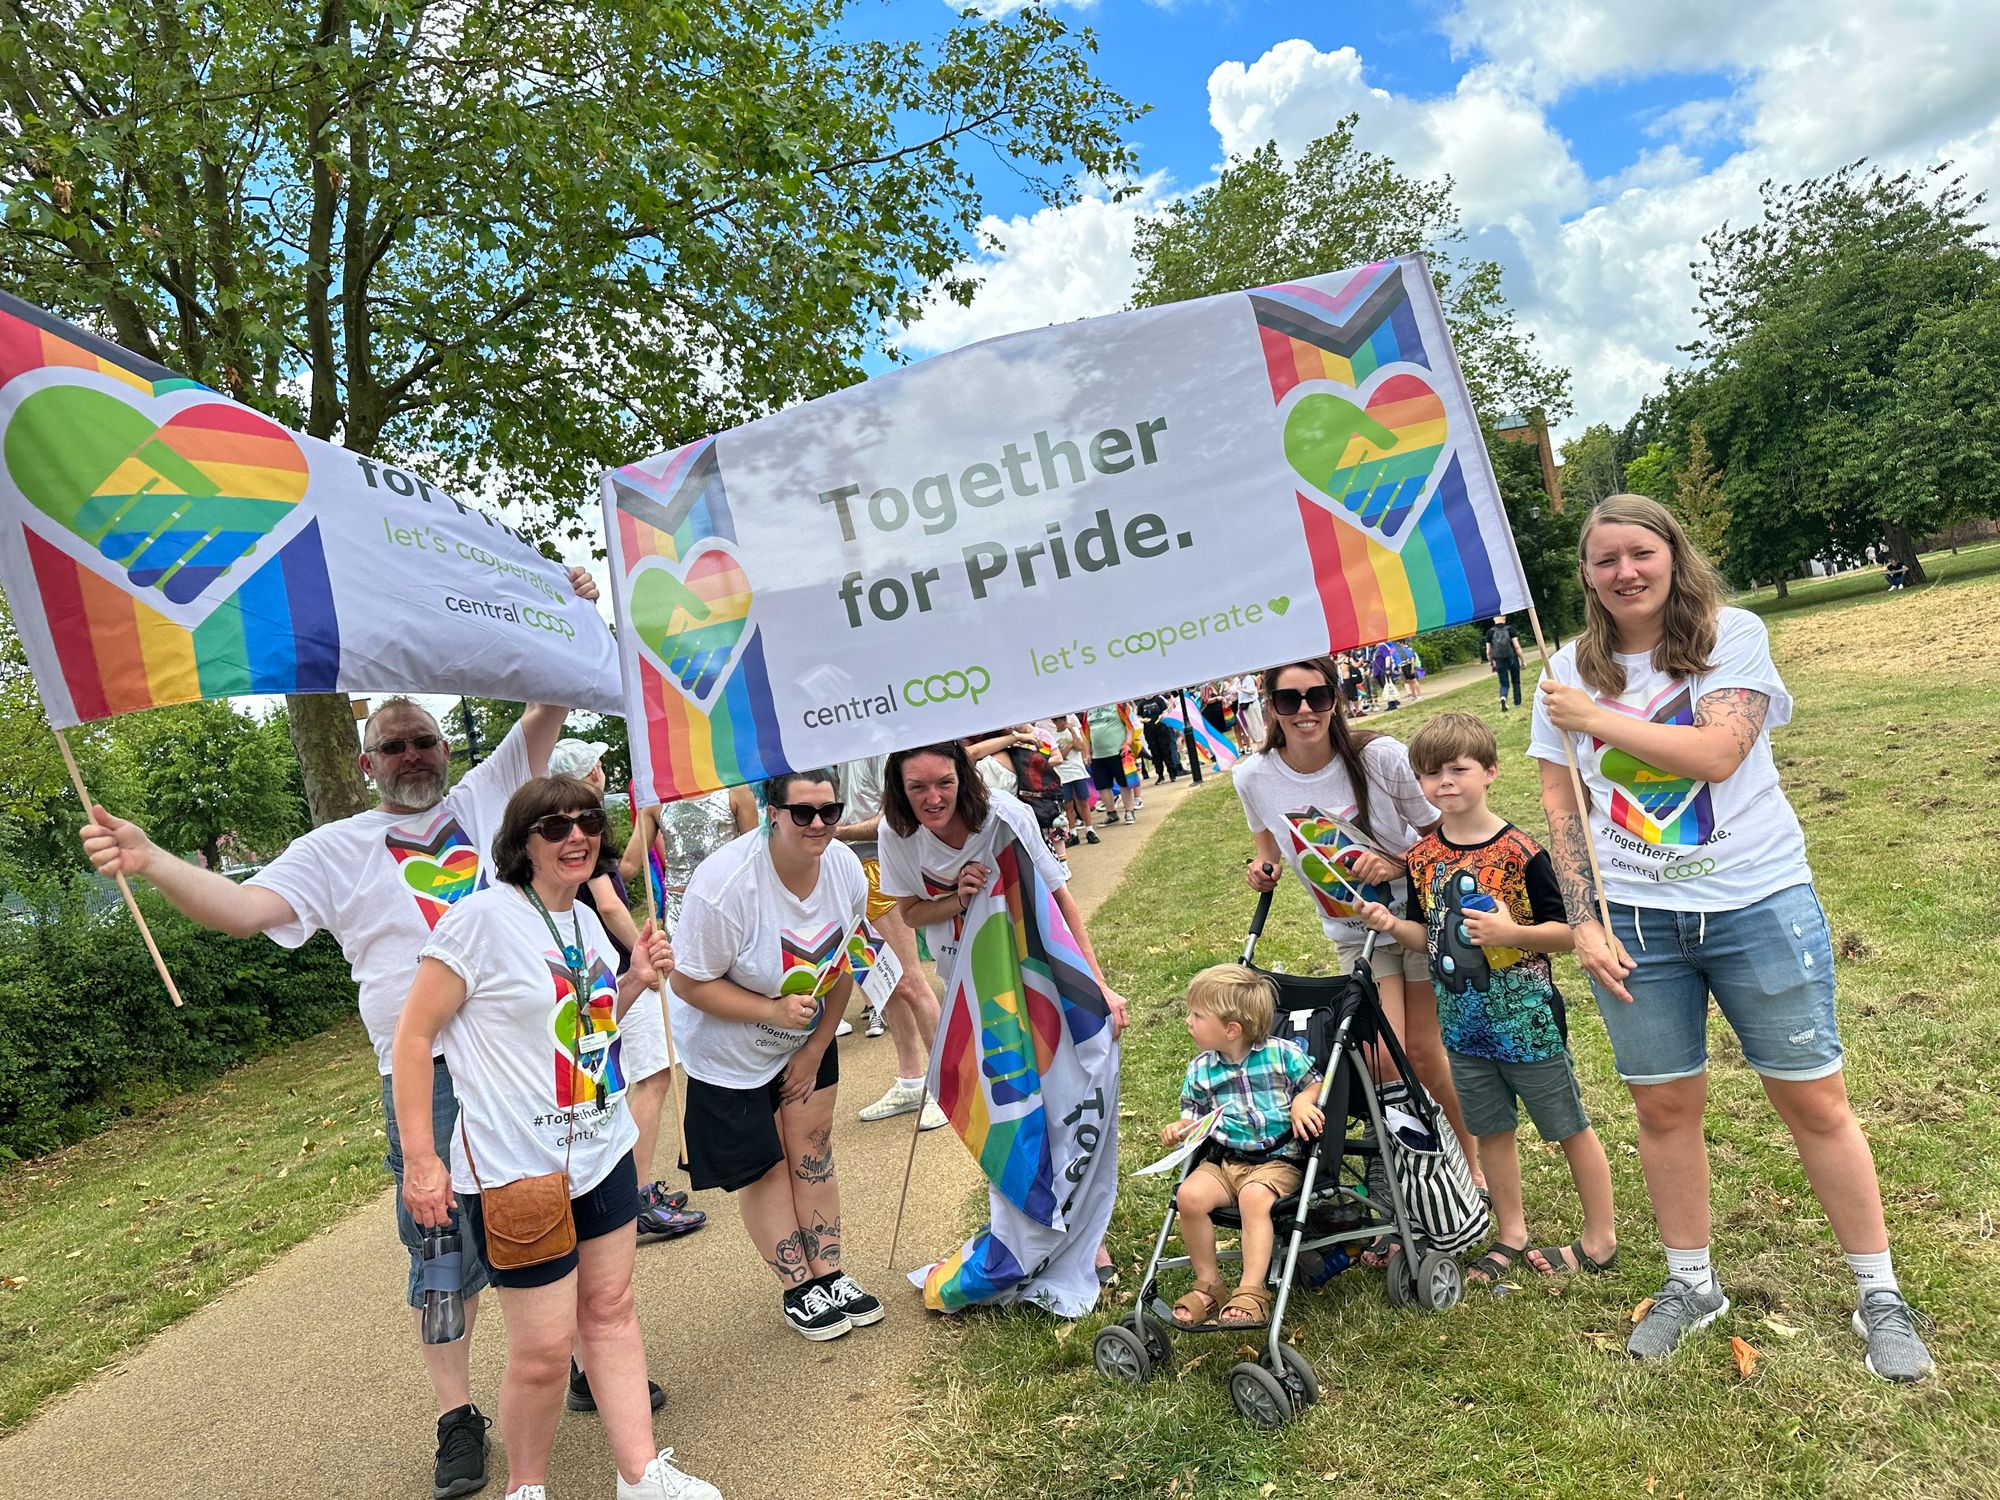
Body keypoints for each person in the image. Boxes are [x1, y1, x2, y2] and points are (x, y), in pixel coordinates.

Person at [76, 583, 631, 1500]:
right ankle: (459, 1419)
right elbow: (248, 911)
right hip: (434, 1074)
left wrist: (551, 597)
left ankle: (567, 1361)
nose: (411, 754)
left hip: (541, 1056)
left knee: (564, 1215)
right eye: (392, 746)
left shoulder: (495, 793)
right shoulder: (334, 847)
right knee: (443, 1249)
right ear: (366, 763)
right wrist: (152, 861)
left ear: (446, 751)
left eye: (423, 740)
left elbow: (549, 697)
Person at [1532, 494, 1932, 1379]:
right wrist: (1586, 921)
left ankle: (1879, 1295)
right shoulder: (1563, 670)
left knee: (1814, 1101)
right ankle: (1691, 1283)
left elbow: (1718, 754)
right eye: (1605, 560)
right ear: (1587, 575)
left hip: (1759, 904)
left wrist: (1594, 719)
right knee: (1662, 1108)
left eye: (1641, 552)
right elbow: (1563, 803)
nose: (1625, 572)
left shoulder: (1730, 636)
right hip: (1637, 922)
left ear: (1672, 555)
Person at [392, 777, 720, 1500]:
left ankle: (639, 1473)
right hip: (516, 1172)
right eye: (554, 825)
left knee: (611, 1310)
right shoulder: (479, 919)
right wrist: (421, 1159)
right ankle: (527, 1489)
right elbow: (413, 1037)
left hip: (601, 1151)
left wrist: (630, 981)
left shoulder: (578, 921)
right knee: (542, 1352)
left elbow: (586, 1032)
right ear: (521, 842)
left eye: (587, 822)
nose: (576, 835)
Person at [1356, 713, 1615, 1290]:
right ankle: (1512, 1232)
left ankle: (1600, 1238)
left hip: (1527, 1025)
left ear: (1490, 772)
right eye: (1430, 773)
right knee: (1492, 1131)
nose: (1444, 783)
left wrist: (1512, 934)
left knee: (1568, 1127)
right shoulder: (1422, 857)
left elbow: (1572, 932)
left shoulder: (1522, 850)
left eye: (1458, 769)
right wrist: (1392, 925)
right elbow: (1435, 937)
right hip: (1464, 1029)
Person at [876, 741, 1131, 1279]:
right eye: (916, 787)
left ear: (962, 777)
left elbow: (1060, 899)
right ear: (899, 790)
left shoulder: (1004, 816)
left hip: (1040, 970)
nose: (932, 797)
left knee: (1063, 1097)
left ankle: (1089, 1242)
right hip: (976, 985)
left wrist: (1098, 986)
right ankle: (1032, 1228)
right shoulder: (896, 833)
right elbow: (913, 913)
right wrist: (959, 899)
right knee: (1009, 1108)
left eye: (943, 782)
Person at [1233, 658, 1480, 1197]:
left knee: (1422, 1051)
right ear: (1268, 703)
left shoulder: (1379, 757)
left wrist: (1394, 863)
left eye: (1318, 697)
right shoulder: (1252, 777)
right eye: (1288, 699)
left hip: (1418, 918)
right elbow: (1267, 849)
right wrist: (1262, 871)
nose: (1304, 711)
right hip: (1355, 934)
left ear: (1336, 698)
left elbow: (1446, 835)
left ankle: (1468, 1167)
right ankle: (1411, 1174)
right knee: (1384, 1058)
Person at [668, 768, 886, 1342]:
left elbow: (845, 962)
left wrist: (816, 1048)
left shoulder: (843, 868)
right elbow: (688, 984)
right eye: (802, 812)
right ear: (771, 810)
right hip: (729, 1049)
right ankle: (799, 1287)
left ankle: (831, 1274)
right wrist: (769, 1012)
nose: (818, 825)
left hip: (805, 1036)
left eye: (830, 812)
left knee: (812, 1149)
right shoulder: (724, 886)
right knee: (765, 1169)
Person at [551, 740, 707, 1253]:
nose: (601, 769)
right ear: (588, 774)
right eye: (595, 764)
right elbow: (610, 902)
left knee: (637, 1077)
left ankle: (631, 1190)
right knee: (654, 1075)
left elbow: (627, 873)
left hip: (604, 969)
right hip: (618, 970)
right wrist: (639, 943)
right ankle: (636, 1198)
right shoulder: (580, 829)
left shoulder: (573, 828)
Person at [1161, 964, 1323, 1327]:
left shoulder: (1283, 1055)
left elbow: (1315, 1083)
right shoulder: (1201, 1070)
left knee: (1253, 1198)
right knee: (1189, 1196)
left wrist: (1302, 1101)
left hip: (1277, 1162)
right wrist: (1181, 1129)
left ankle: (1252, 1289)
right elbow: (1194, 1118)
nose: (1188, 1021)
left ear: (1231, 1029)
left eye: (1197, 1015)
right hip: (1225, 1161)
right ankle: (1209, 1284)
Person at [833, 753, 949, 1132]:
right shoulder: (825, 749)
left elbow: (896, 817)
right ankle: (911, 1080)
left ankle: (946, 1089)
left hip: (878, 867)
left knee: (910, 981)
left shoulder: (875, 744)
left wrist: (836, 832)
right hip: (841, 871)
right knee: (882, 984)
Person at [1085, 702, 1139, 826]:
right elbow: (1086, 734)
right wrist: (1087, 753)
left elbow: (1130, 726)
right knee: (1102, 786)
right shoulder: (1087, 711)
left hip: (1118, 752)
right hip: (1098, 755)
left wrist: (1127, 743)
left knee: (1124, 783)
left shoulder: (1119, 705)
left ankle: (1129, 811)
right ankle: (1111, 813)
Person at [1051, 713, 1099, 846]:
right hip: (1063, 774)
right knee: (1068, 804)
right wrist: (1069, 745)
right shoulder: (1053, 737)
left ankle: (1090, 829)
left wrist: (1072, 731)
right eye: (1062, 719)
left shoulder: (1074, 731)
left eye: (1065, 719)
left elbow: (1080, 746)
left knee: (1083, 801)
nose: (1065, 721)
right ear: (1055, 721)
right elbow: (1061, 757)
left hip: (1077, 771)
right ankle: (1072, 833)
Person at [1135, 693, 1185, 784]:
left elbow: (1165, 711)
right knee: (1155, 753)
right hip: (1149, 731)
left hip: (1162, 729)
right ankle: (1160, 776)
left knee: (1166, 751)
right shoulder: (1141, 703)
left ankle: (1172, 774)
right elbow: (1138, 716)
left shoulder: (1159, 700)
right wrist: (1143, 720)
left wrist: (1162, 715)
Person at [1484, 614, 1524, 712]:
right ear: (1504, 619)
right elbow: (1517, 646)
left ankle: (1503, 698)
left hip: (1499, 660)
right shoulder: (1510, 629)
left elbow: (1488, 651)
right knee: (1516, 681)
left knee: (1504, 683)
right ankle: (1517, 703)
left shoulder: (1490, 632)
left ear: (1494, 619)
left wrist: (1491, 663)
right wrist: (1522, 661)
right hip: (1512, 658)